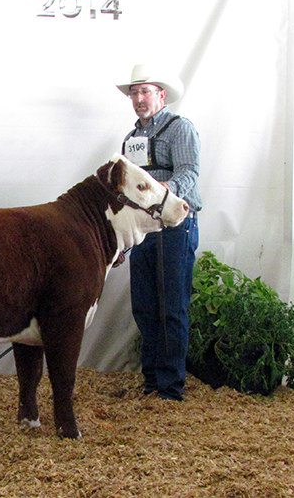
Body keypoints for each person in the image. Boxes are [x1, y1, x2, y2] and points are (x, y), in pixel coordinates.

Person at [116, 63, 202, 401]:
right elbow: (127, 193)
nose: (139, 98)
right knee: (145, 307)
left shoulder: (180, 129)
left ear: (161, 95)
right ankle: (152, 382)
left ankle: (170, 388)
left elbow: (189, 172)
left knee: (171, 307)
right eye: (134, 93)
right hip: (143, 230)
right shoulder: (130, 139)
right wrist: (121, 241)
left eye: (145, 91)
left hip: (174, 224)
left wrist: (161, 191)